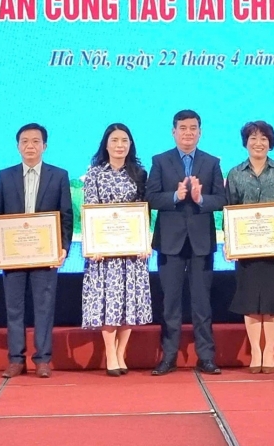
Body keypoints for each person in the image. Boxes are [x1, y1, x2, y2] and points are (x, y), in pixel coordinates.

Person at [0, 123, 73, 379]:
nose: (30, 146)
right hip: (12, 255)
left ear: (44, 146)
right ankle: (16, 359)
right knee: (14, 308)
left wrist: (63, 247)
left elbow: (66, 215)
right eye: (24, 141)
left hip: (45, 254)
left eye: (35, 141)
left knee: (44, 307)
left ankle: (43, 359)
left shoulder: (59, 176)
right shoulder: (5, 176)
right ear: (18, 147)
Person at [146, 109, 227, 376]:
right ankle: (168, 356)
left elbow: (222, 199)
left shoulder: (211, 162)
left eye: (193, 128)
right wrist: (175, 196)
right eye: (183, 128)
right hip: (170, 242)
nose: (188, 133)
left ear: (200, 133)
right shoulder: (160, 161)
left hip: (201, 242)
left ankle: (206, 357)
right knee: (170, 303)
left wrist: (201, 199)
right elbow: (151, 197)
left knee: (202, 303)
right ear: (174, 132)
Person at [225, 121, 274, 374]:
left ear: (271, 143)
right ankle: (256, 351)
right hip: (246, 248)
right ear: (246, 142)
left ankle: (269, 351)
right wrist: (230, 241)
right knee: (250, 300)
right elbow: (230, 209)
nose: (258, 143)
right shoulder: (235, 173)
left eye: (264, 138)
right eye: (253, 138)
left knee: (273, 300)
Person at [80, 123, 153, 376]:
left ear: (130, 144)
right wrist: (94, 245)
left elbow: (143, 212)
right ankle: (110, 353)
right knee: (108, 301)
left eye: (124, 140)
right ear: (106, 144)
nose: (119, 145)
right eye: (114, 140)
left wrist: (144, 242)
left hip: (131, 251)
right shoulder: (94, 174)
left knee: (128, 302)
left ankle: (121, 353)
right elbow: (90, 211)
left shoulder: (140, 174)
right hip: (104, 253)